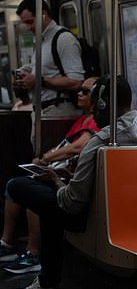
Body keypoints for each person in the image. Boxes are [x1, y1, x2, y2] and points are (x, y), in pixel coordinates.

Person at [6, 75, 137, 289]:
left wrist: (56, 181)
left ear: (103, 105)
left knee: (19, 187)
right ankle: (46, 283)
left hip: (98, 218)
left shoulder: (101, 141)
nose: (94, 113)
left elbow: (72, 203)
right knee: (50, 201)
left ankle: (48, 283)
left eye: (96, 106)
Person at [0, 77, 100, 274]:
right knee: (14, 185)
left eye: (86, 91)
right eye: (80, 90)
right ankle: (7, 241)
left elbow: (77, 147)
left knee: (31, 190)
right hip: (61, 170)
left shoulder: (97, 123)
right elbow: (65, 144)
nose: (79, 93)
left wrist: (46, 158)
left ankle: (34, 252)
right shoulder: (82, 119)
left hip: (72, 178)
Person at [13, 0, 83, 117]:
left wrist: (38, 81)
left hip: (58, 110)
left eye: (30, 22)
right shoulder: (42, 41)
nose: (28, 28)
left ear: (43, 14)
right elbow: (49, 69)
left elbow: (76, 81)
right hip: (40, 111)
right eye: (25, 24)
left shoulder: (63, 39)